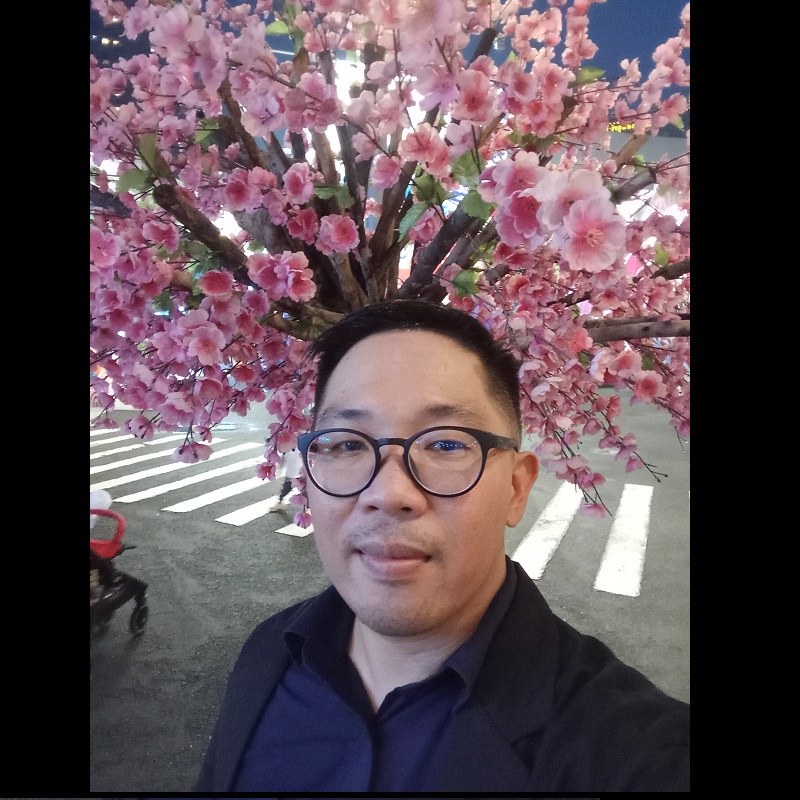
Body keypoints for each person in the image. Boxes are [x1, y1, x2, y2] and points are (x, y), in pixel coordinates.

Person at [196, 299, 689, 792]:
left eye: (446, 444)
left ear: (516, 488)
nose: (389, 494)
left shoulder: (640, 755)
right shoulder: (268, 654)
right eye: (347, 444)